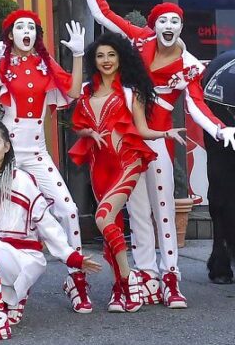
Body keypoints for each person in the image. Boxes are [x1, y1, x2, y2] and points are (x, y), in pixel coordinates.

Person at [74, 0, 235, 308]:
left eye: (174, 21)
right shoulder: (138, 40)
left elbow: (196, 104)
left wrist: (219, 129)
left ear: (181, 26)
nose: (168, 25)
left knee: (164, 209)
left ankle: (171, 277)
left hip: (159, 143)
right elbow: (103, 13)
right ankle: (146, 274)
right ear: (153, 25)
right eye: (163, 20)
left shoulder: (189, 65)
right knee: (137, 211)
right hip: (128, 141)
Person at [0, 116, 99, 342]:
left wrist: (71, 257)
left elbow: (46, 222)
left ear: (7, 146)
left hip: (22, 258)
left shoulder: (22, 180)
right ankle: (11, 296)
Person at [0, 12, 90, 314]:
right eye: (20, 26)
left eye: (31, 27)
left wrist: (78, 55)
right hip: (9, 153)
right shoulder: (2, 62)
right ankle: (6, 286)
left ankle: (76, 279)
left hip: (38, 152)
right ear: (10, 34)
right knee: (7, 219)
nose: (26, 31)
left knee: (68, 210)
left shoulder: (45, 62)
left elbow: (73, 91)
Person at [68, 34, 165, 313]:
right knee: (112, 225)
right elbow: (77, 123)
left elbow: (142, 129)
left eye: (111, 54)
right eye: (100, 56)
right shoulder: (86, 91)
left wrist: (165, 133)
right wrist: (89, 132)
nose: (106, 60)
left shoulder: (131, 92)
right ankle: (118, 289)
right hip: (98, 166)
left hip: (127, 163)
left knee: (102, 217)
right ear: (94, 60)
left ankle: (128, 277)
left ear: (121, 57)